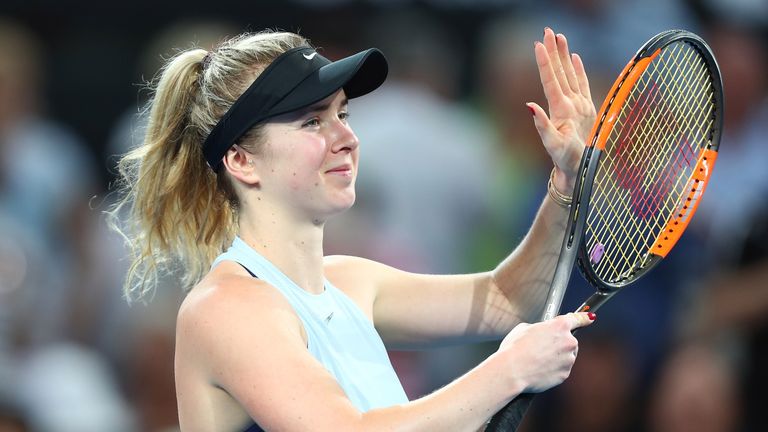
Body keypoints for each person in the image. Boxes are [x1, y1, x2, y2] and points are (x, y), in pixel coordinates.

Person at [108, 27, 597, 431]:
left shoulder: (348, 282)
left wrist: (566, 183)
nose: (347, 137)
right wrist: (507, 372)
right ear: (241, 160)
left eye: (342, 113)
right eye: (311, 122)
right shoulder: (225, 309)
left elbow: (509, 299)